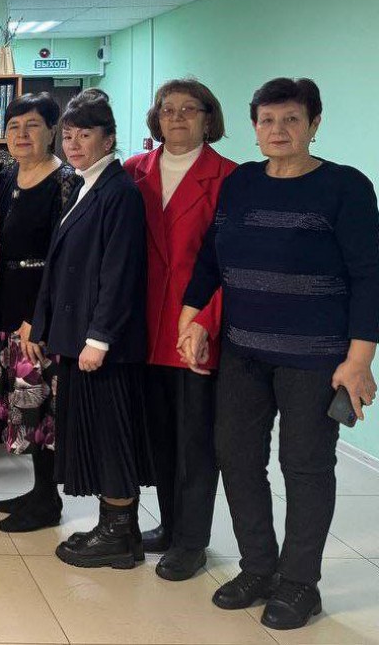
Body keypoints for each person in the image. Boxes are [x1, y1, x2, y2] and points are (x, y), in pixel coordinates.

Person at [180, 78, 379, 630]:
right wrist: (191, 319)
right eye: (267, 120)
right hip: (243, 352)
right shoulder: (241, 183)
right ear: (254, 127)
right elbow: (211, 260)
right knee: (237, 458)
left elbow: (370, 277)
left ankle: (299, 583)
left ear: (314, 124)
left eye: (291, 119)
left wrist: (359, 360)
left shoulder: (345, 187)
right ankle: (259, 568)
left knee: (305, 465)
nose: (279, 130)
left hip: (316, 358)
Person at [28, 88, 152, 569]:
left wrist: (98, 339)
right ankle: (118, 529)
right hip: (78, 337)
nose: (74, 144)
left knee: (112, 436)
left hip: (105, 347)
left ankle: (118, 534)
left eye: (85, 135)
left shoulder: (119, 193)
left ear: (109, 139)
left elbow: (118, 274)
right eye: (68, 136)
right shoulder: (86, 186)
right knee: (97, 433)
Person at [123, 79, 236, 581]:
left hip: (197, 329)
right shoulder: (133, 171)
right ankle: (169, 526)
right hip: (143, 326)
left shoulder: (230, 178)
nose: (177, 118)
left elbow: (233, 266)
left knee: (195, 442)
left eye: (190, 110)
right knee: (159, 436)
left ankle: (191, 542)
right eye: (168, 109)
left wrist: (206, 322)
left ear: (209, 119)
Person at [0, 93, 78, 534]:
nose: (22, 134)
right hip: (8, 304)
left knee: (41, 406)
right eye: (14, 126)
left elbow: (63, 258)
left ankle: (48, 501)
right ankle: (38, 490)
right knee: (22, 404)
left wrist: (36, 319)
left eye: (33, 125)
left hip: (40, 313)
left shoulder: (66, 183)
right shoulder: (7, 177)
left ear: (52, 130)